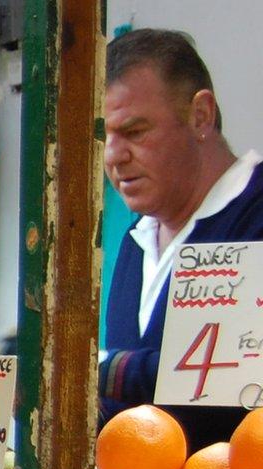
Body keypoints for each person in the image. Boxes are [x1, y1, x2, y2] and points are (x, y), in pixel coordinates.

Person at [100, 27, 263, 447]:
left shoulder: (255, 216)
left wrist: (95, 369)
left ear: (200, 116)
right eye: (104, 136)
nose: (113, 157)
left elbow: (228, 380)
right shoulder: (137, 237)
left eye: (134, 132)